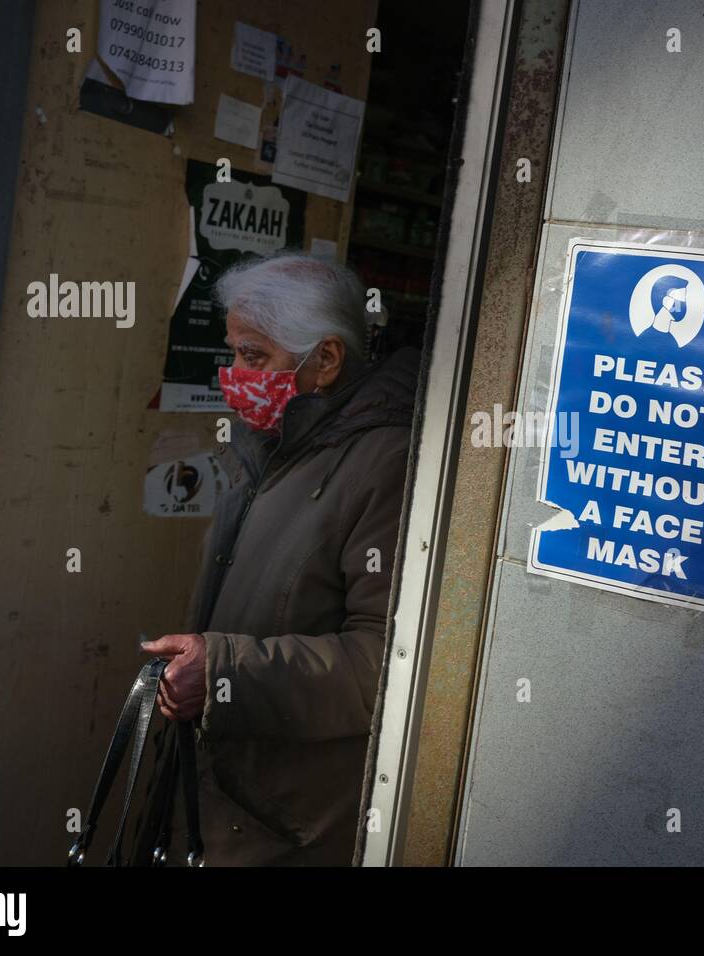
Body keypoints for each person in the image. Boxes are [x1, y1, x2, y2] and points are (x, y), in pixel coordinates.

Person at [139, 252, 419, 865]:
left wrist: (225, 672)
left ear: (325, 360)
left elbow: (388, 665)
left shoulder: (386, 465)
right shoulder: (268, 445)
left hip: (286, 821)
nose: (234, 373)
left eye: (254, 356)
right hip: (215, 792)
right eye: (234, 351)